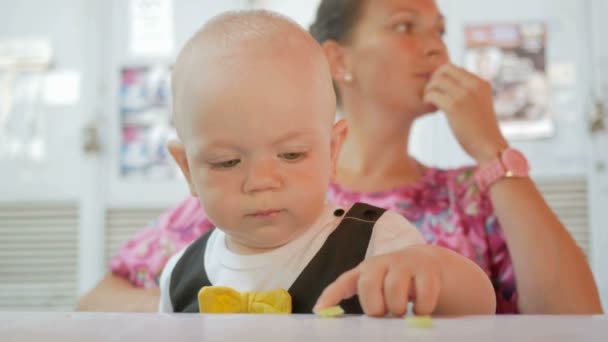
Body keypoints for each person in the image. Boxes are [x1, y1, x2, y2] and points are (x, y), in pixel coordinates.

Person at [76, 0, 603, 314]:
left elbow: (576, 323)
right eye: (404, 26)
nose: (437, 48)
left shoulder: (469, 194)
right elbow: (98, 299)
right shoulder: (230, 209)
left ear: (332, 147)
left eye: (440, 31)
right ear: (336, 59)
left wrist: (493, 151)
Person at [157, 10, 495, 316]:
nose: (261, 180)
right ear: (187, 169)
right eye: (227, 162)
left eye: (291, 155)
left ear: (333, 151)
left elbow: (480, 307)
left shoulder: (377, 241)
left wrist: (433, 268)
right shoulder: (179, 276)